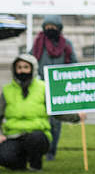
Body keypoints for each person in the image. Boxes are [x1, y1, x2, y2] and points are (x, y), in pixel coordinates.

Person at [0, 54, 82, 171]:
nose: (22, 71)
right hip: (13, 135)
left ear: (32, 69)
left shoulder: (44, 87)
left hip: (38, 135)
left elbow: (57, 111)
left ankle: (36, 164)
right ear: (14, 69)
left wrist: (76, 117)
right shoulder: (7, 90)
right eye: (19, 67)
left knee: (35, 139)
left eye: (25, 67)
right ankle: (20, 164)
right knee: (3, 157)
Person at [31, 15, 76, 161]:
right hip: (40, 88)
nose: (50, 29)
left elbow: (73, 64)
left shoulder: (66, 45)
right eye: (47, 26)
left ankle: (51, 151)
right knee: (41, 120)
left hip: (59, 88)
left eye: (53, 26)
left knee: (56, 123)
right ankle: (39, 149)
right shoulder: (38, 44)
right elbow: (31, 61)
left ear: (59, 28)